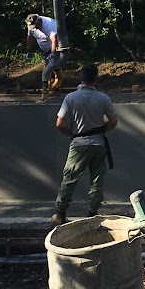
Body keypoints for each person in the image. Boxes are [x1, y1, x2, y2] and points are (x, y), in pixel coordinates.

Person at [51, 63, 118, 227]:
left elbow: (60, 123)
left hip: (79, 143)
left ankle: (60, 214)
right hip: (98, 143)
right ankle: (92, 214)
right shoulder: (103, 98)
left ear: (81, 78)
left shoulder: (71, 98)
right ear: (96, 79)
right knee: (96, 180)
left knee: (70, 178)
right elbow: (113, 120)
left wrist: (71, 135)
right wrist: (103, 129)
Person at [25, 13, 63, 100]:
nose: (34, 28)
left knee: (50, 66)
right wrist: (29, 50)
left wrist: (53, 54)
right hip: (45, 48)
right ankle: (51, 86)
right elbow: (30, 37)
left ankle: (54, 85)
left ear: (39, 21)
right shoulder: (31, 24)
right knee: (49, 65)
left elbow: (54, 40)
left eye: (35, 26)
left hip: (54, 47)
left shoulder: (49, 24)